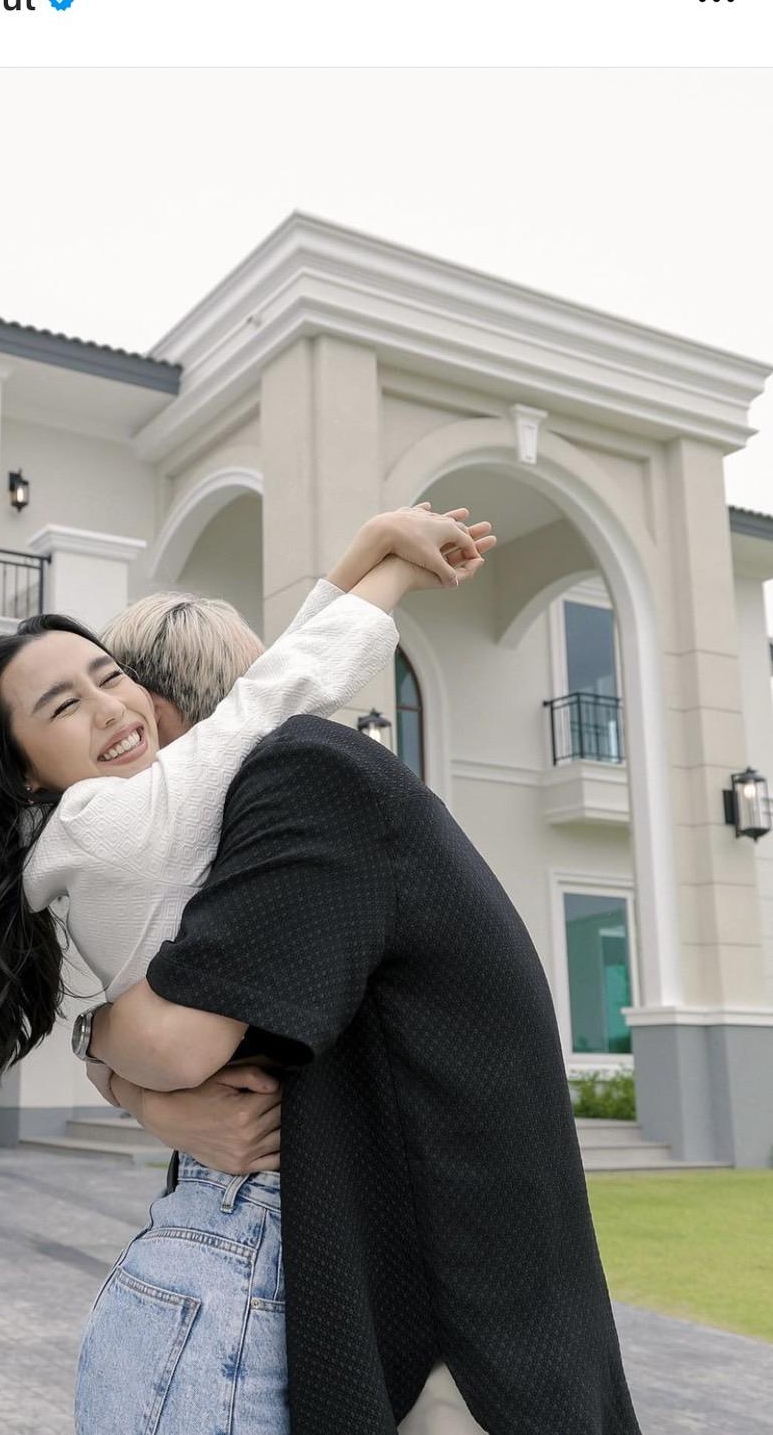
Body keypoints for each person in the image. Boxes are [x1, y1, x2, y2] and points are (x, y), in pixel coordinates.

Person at [0, 502, 487, 1433]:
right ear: (24, 770)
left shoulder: (139, 820)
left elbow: (253, 702)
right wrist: (393, 567)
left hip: (221, 1250)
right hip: (233, 1258)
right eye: (63, 706)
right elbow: (266, 703)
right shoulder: (109, 823)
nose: (110, 709)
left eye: (109, 677)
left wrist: (370, 544)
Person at [71, 593, 645, 1433]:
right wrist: (143, 1093)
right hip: (438, 1297)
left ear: (153, 716)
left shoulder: (304, 774)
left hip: (461, 1341)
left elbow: (174, 1041)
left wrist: (93, 1038)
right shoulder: (292, 791)